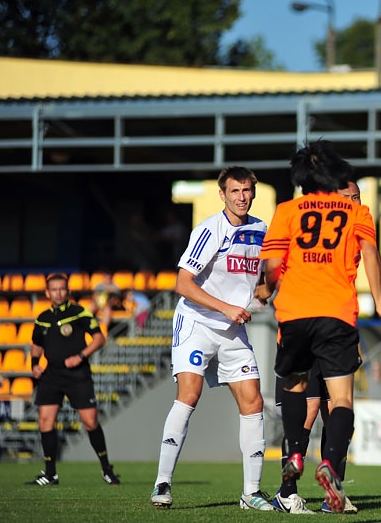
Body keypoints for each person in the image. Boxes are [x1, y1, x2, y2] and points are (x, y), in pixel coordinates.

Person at [260, 141, 381, 515]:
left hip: (295, 314)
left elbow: (272, 264)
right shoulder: (357, 212)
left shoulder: (286, 210)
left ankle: (295, 455)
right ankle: (330, 466)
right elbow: (371, 252)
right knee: (343, 401)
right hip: (337, 313)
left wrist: (265, 289)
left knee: (294, 387)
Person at [151, 167, 273, 511]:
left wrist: (266, 293)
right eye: (235, 191)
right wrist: (227, 308)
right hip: (197, 323)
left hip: (232, 329)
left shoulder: (261, 230)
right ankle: (162, 483)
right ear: (223, 194)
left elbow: (262, 281)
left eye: (247, 190)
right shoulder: (208, 229)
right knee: (189, 394)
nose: (242, 197)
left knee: (253, 402)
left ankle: (251, 494)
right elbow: (183, 283)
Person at [271, 178, 363, 515]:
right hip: (307, 323)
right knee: (310, 411)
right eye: (346, 198)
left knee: (335, 409)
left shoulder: (351, 231)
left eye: (356, 197)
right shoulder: (315, 225)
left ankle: (333, 492)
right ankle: (287, 491)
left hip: (337, 324)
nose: (352, 202)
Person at [27, 272, 120, 486]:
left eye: (62, 289)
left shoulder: (80, 313)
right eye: (54, 290)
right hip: (51, 374)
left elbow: (99, 339)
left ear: (68, 291)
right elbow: (36, 345)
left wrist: (80, 356)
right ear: (47, 292)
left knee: (90, 421)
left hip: (78, 375)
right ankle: (50, 474)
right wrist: (34, 364)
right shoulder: (42, 318)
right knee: (45, 421)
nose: (58, 293)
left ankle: (107, 469)